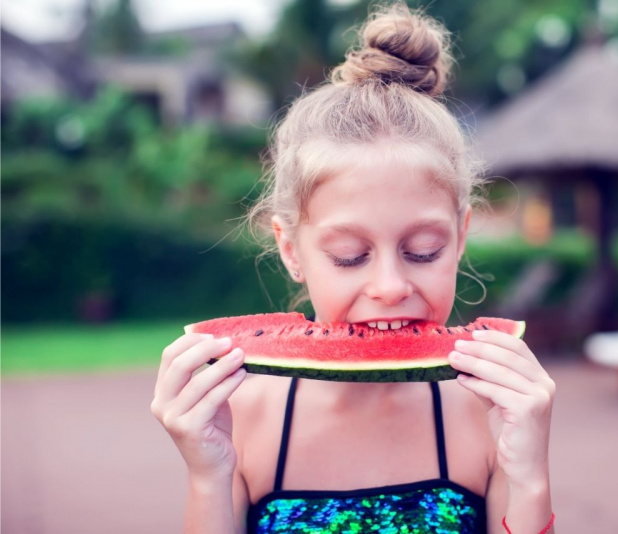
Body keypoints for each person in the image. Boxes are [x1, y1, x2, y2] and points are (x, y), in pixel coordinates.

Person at [151, 3, 556, 533]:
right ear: (291, 250)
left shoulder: (486, 415)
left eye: (423, 250)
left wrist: (529, 475)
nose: (389, 287)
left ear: (459, 237)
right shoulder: (243, 418)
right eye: (349, 256)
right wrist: (209, 474)